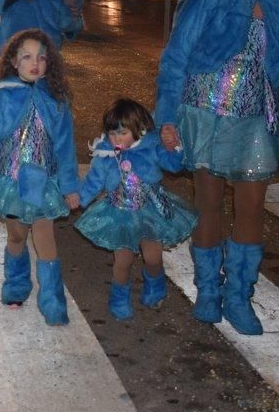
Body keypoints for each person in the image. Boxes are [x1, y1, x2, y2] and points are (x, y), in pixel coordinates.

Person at [156, 0, 279, 336]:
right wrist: (166, 117)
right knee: (208, 205)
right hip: (207, 114)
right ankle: (208, 290)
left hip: (259, 121)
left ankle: (240, 296)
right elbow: (176, 57)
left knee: (252, 208)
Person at [0, 28, 78, 325]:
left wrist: (69, 186)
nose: (34, 62)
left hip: (43, 182)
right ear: (14, 62)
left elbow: (65, 147)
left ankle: (52, 300)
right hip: (11, 181)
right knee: (16, 235)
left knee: (45, 236)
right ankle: (16, 284)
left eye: (41, 57)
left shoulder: (56, 101)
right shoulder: (2, 97)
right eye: (26, 56)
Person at [75, 98, 198, 320]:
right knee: (122, 260)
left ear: (139, 130)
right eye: (112, 134)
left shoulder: (151, 148)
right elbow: (94, 182)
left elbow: (174, 164)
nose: (116, 139)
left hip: (150, 212)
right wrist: (78, 199)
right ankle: (119, 297)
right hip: (118, 213)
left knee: (153, 258)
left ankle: (154, 285)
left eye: (122, 133)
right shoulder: (106, 156)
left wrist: (175, 147)